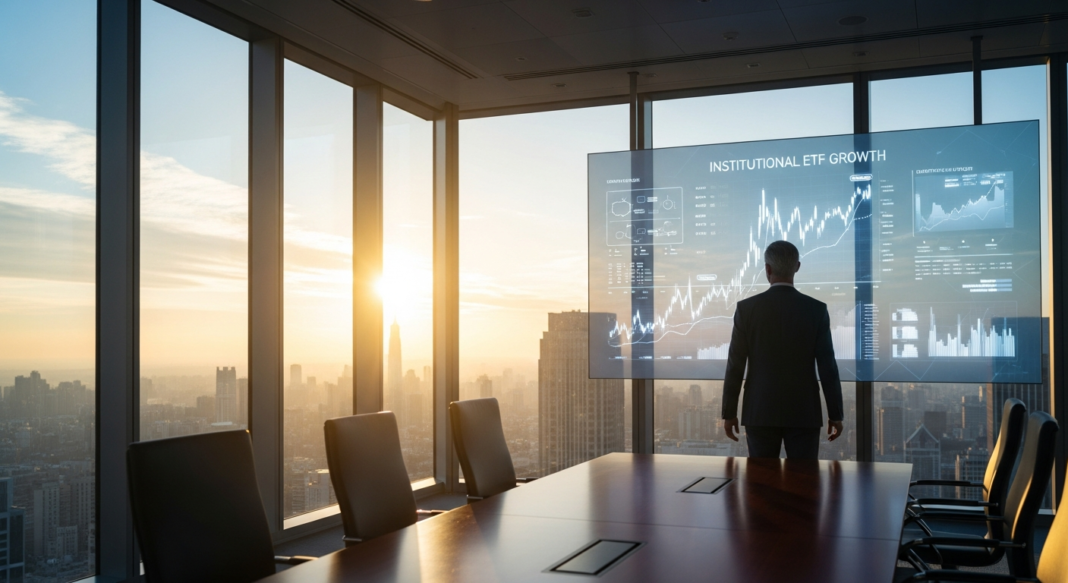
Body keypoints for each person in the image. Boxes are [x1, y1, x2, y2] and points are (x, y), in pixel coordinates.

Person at [720, 240, 844, 460]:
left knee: (761, 484)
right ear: (797, 266)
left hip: (760, 411)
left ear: (767, 269)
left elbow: (735, 365)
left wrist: (729, 413)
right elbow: (827, 366)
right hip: (804, 412)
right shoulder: (816, 309)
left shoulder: (746, 309)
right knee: (804, 483)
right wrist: (836, 413)